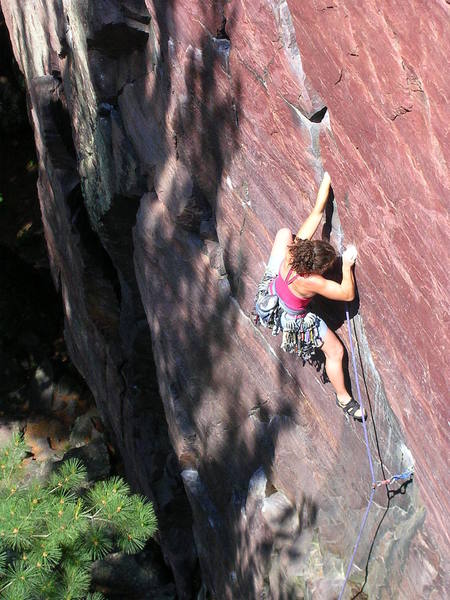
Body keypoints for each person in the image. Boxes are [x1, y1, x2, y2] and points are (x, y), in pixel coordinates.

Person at [254, 172, 365, 420]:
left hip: (271, 296)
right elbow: (347, 294)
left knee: (284, 233)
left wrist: (328, 176)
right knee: (335, 352)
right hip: (293, 319)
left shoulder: (294, 251)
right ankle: (344, 399)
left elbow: (317, 213)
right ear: (317, 270)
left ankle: (273, 303)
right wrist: (346, 266)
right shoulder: (312, 281)